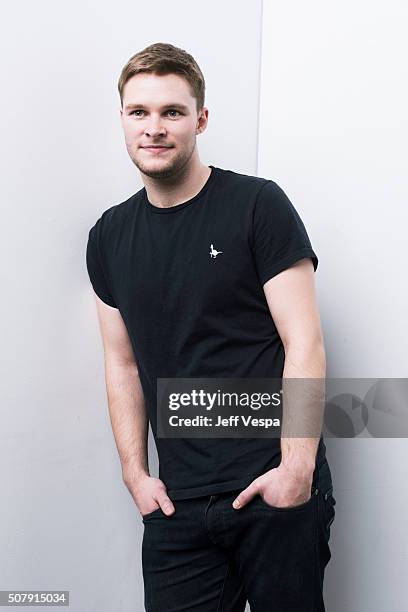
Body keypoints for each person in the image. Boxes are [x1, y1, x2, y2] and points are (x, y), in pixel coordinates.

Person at [86, 41, 336, 612]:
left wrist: (295, 469)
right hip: (177, 504)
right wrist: (135, 474)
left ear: (200, 119)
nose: (154, 128)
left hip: (270, 486)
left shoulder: (257, 205)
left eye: (172, 112)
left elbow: (305, 340)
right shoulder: (108, 237)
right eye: (139, 112)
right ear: (122, 120)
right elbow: (121, 362)